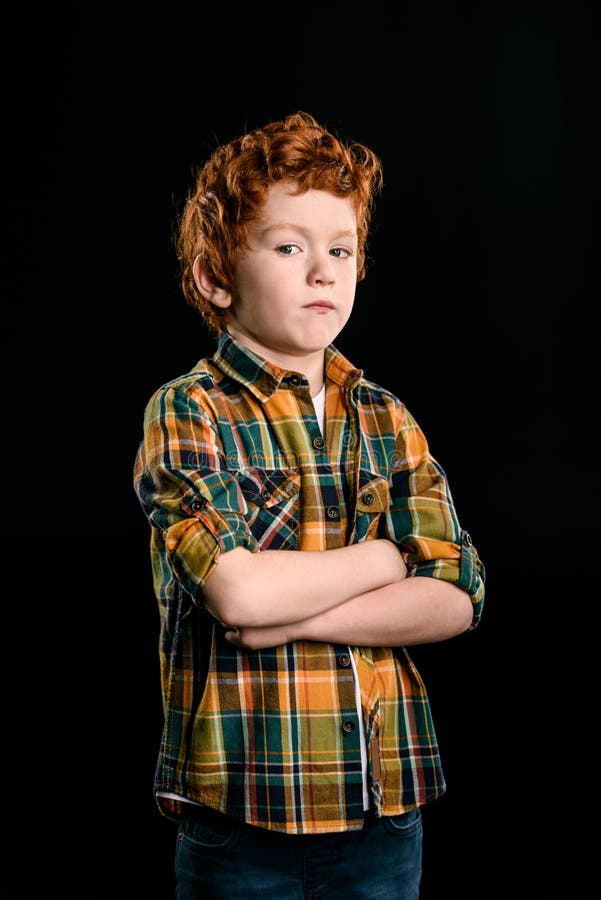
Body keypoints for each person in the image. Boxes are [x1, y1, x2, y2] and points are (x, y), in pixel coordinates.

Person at [133, 110, 486, 899]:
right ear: (214, 278)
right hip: (242, 817)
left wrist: (293, 618)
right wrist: (385, 556)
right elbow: (239, 591)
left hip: (383, 812)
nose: (323, 271)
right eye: (289, 247)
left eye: (341, 250)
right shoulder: (191, 411)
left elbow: (456, 597)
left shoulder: (386, 418)